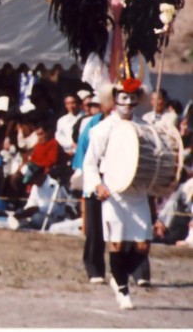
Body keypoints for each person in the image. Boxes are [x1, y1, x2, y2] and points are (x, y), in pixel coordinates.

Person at [83, 76, 151, 310]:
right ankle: (122, 288)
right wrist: (97, 185)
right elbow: (89, 163)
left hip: (138, 194)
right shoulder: (103, 128)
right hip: (114, 194)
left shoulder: (144, 127)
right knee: (117, 243)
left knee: (142, 246)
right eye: (124, 98)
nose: (128, 104)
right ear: (114, 99)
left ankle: (118, 273)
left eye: (133, 99)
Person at [71, 84, 114, 284]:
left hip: (120, 179)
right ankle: (95, 268)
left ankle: (129, 270)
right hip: (96, 176)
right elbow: (85, 152)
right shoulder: (91, 124)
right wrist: (90, 180)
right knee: (95, 228)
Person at [9, 163, 67, 230]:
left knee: (37, 217)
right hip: (36, 214)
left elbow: (55, 208)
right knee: (17, 213)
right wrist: (24, 212)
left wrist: (36, 209)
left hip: (53, 218)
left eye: (33, 180)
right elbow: (31, 202)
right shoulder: (35, 187)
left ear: (39, 175)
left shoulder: (54, 184)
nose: (33, 183)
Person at [56, 93, 83, 158]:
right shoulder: (62, 120)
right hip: (68, 153)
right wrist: (70, 144)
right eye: (68, 103)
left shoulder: (85, 117)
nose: (71, 106)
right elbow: (59, 136)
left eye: (73, 103)